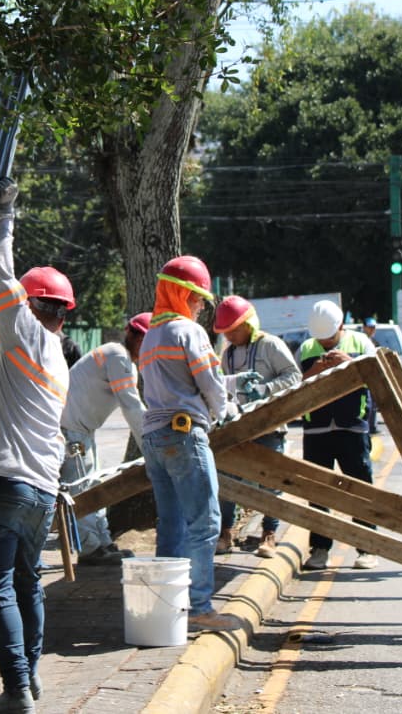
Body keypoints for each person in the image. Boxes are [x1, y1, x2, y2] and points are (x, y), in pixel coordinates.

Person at [0, 177, 70, 714]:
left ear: (34, 304)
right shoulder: (55, 361)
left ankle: (17, 691)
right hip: (40, 492)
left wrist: (5, 212)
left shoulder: (21, 331)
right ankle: (32, 680)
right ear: (64, 313)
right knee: (28, 586)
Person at [138, 255, 245, 635]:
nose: (201, 306)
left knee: (172, 522)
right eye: (197, 298)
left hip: (154, 436)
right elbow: (210, 383)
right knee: (205, 522)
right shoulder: (188, 331)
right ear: (182, 295)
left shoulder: (151, 333)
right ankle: (200, 607)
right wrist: (226, 411)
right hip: (184, 434)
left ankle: (171, 607)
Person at [212, 296, 303, 558]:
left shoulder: (270, 345)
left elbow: (294, 376)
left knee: (270, 482)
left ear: (248, 324)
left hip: (269, 428)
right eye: (225, 332)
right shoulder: (227, 354)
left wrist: (265, 389)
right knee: (228, 480)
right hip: (237, 430)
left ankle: (269, 534)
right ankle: (226, 532)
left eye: (234, 330)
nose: (229, 336)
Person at [58, 312, 150, 565]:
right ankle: (90, 549)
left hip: (81, 429)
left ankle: (103, 543)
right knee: (81, 490)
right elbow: (132, 407)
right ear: (133, 336)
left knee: (93, 486)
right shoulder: (118, 356)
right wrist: (150, 450)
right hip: (72, 430)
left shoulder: (118, 356)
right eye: (146, 340)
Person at [297, 299, 379, 571]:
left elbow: (376, 377)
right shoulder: (307, 349)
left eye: (331, 339)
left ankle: (367, 548)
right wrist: (315, 370)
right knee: (318, 492)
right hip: (317, 430)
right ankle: (320, 549)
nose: (327, 344)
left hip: (351, 428)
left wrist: (351, 363)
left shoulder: (360, 344)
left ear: (341, 327)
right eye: (322, 339)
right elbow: (295, 387)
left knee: (360, 488)